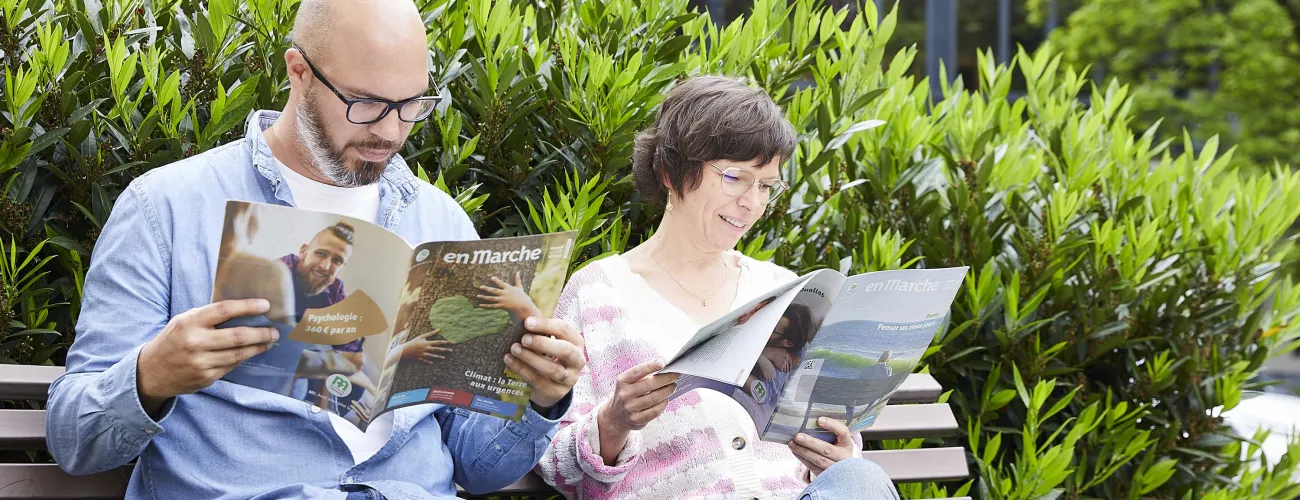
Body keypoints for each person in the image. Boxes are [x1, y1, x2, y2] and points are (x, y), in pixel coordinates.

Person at [44, 0, 585, 497]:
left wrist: (539, 399)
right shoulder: (167, 208)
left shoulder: (437, 219)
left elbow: (476, 467)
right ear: (298, 72)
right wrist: (151, 376)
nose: (392, 132)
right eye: (367, 103)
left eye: (412, 104)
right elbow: (74, 440)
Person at [538, 76, 899, 499]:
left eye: (766, 185)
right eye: (736, 178)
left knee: (860, 477)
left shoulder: (786, 291)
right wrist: (614, 421)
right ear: (671, 172)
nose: (753, 203)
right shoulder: (596, 294)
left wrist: (837, 455)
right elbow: (552, 463)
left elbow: (836, 455)